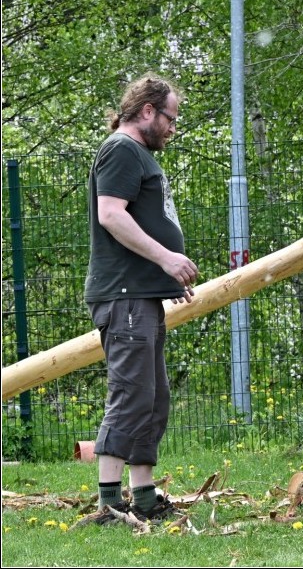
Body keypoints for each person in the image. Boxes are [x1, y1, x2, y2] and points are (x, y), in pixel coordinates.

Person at [85, 73, 197, 523]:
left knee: (153, 397)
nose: (173, 127)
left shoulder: (135, 154)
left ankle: (145, 500)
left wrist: (168, 276)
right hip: (124, 297)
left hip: (142, 295)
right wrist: (168, 258)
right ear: (147, 110)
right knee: (131, 394)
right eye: (171, 117)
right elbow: (110, 215)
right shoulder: (121, 150)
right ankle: (109, 504)